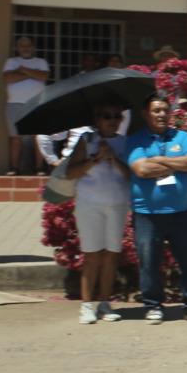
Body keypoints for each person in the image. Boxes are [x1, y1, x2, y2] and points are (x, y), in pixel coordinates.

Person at [125, 95, 187, 323]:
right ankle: (153, 305)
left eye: (165, 110)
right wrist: (176, 163)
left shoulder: (182, 137)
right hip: (147, 213)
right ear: (146, 114)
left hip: (180, 211)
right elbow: (141, 170)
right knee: (149, 262)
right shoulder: (136, 140)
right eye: (156, 111)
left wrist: (161, 160)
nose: (162, 114)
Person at [65, 102, 131, 324]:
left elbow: (131, 175)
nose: (111, 120)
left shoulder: (125, 142)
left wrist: (113, 157)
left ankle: (105, 303)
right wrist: (95, 159)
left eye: (116, 115)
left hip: (117, 204)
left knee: (111, 254)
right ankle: (86, 305)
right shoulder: (86, 140)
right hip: (89, 205)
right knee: (92, 255)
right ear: (97, 120)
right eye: (106, 116)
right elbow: (71, 172)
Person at [5, 35, 50, 174]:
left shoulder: (41, 61)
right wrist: (32, 73)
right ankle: (14, 169)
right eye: (22, 45)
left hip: (37, 103)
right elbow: (8, 78)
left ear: (33, 47)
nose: (25, 48)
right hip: (14, 104)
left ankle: (40, 168)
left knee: (38, 136)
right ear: (17, 48)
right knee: (15, 137)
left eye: (28, 45)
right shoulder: (11, 61)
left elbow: (44, 76)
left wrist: (22, 70)